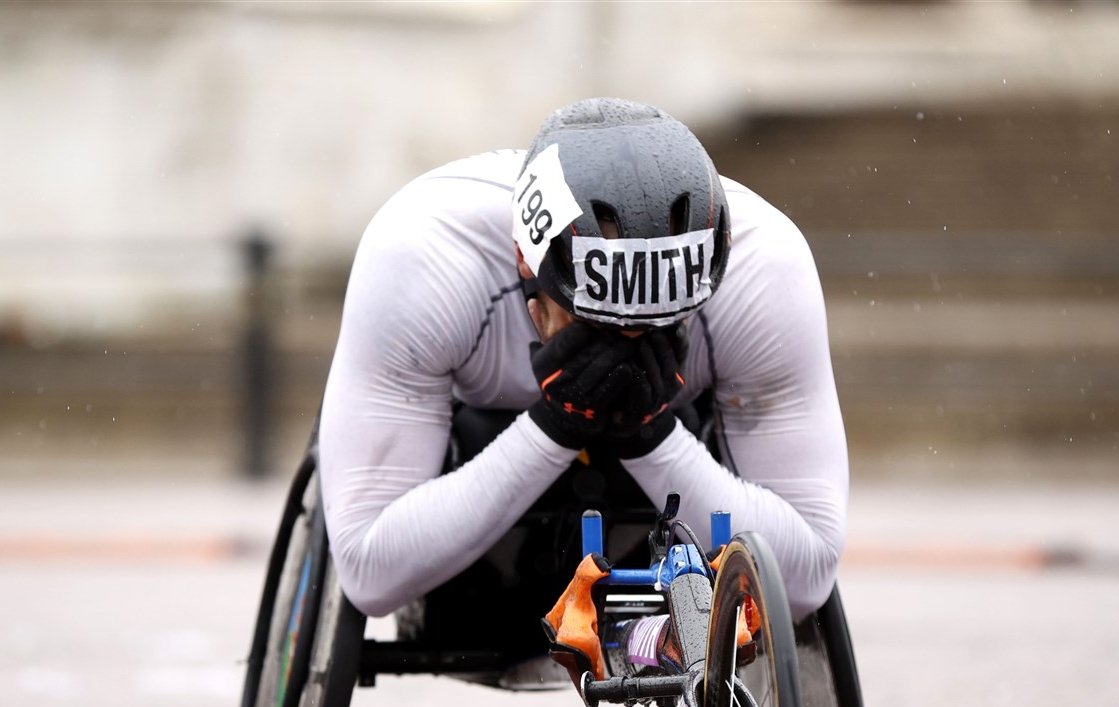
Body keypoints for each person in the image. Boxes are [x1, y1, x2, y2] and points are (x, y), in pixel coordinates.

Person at [316, 98, 847, 659]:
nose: (625, 342)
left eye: (661, 320)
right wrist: (555, 425)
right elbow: (369, 575)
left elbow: (806, 580)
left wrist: (651, 435)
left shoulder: (764, 268)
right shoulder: (425, 255)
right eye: (594, 318)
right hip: (473, 470)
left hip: (668, 465)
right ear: (526, 262)